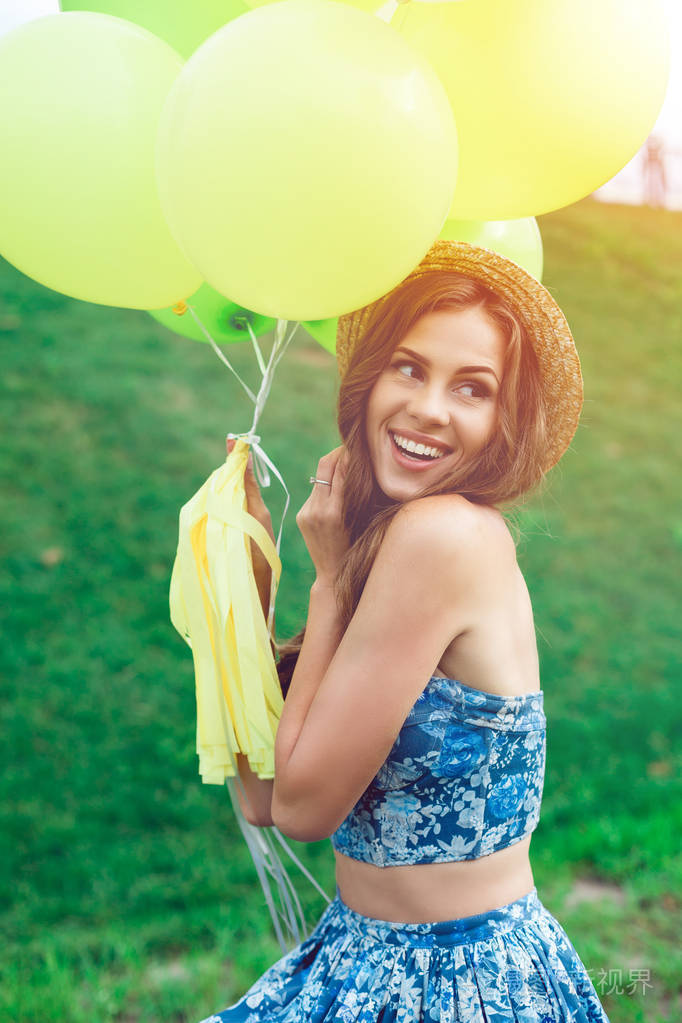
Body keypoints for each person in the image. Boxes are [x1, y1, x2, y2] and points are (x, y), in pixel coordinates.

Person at [203, 240, 610, 1022]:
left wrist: (323, 589)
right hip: (363, 951)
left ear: (502, 420)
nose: (428, 408)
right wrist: (242, 594)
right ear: (369, 381)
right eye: (409, 368)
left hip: (455, 978)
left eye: (472, 387)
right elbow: (260, 791)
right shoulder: (389, 544)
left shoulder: (444, 538)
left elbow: (301, 811)